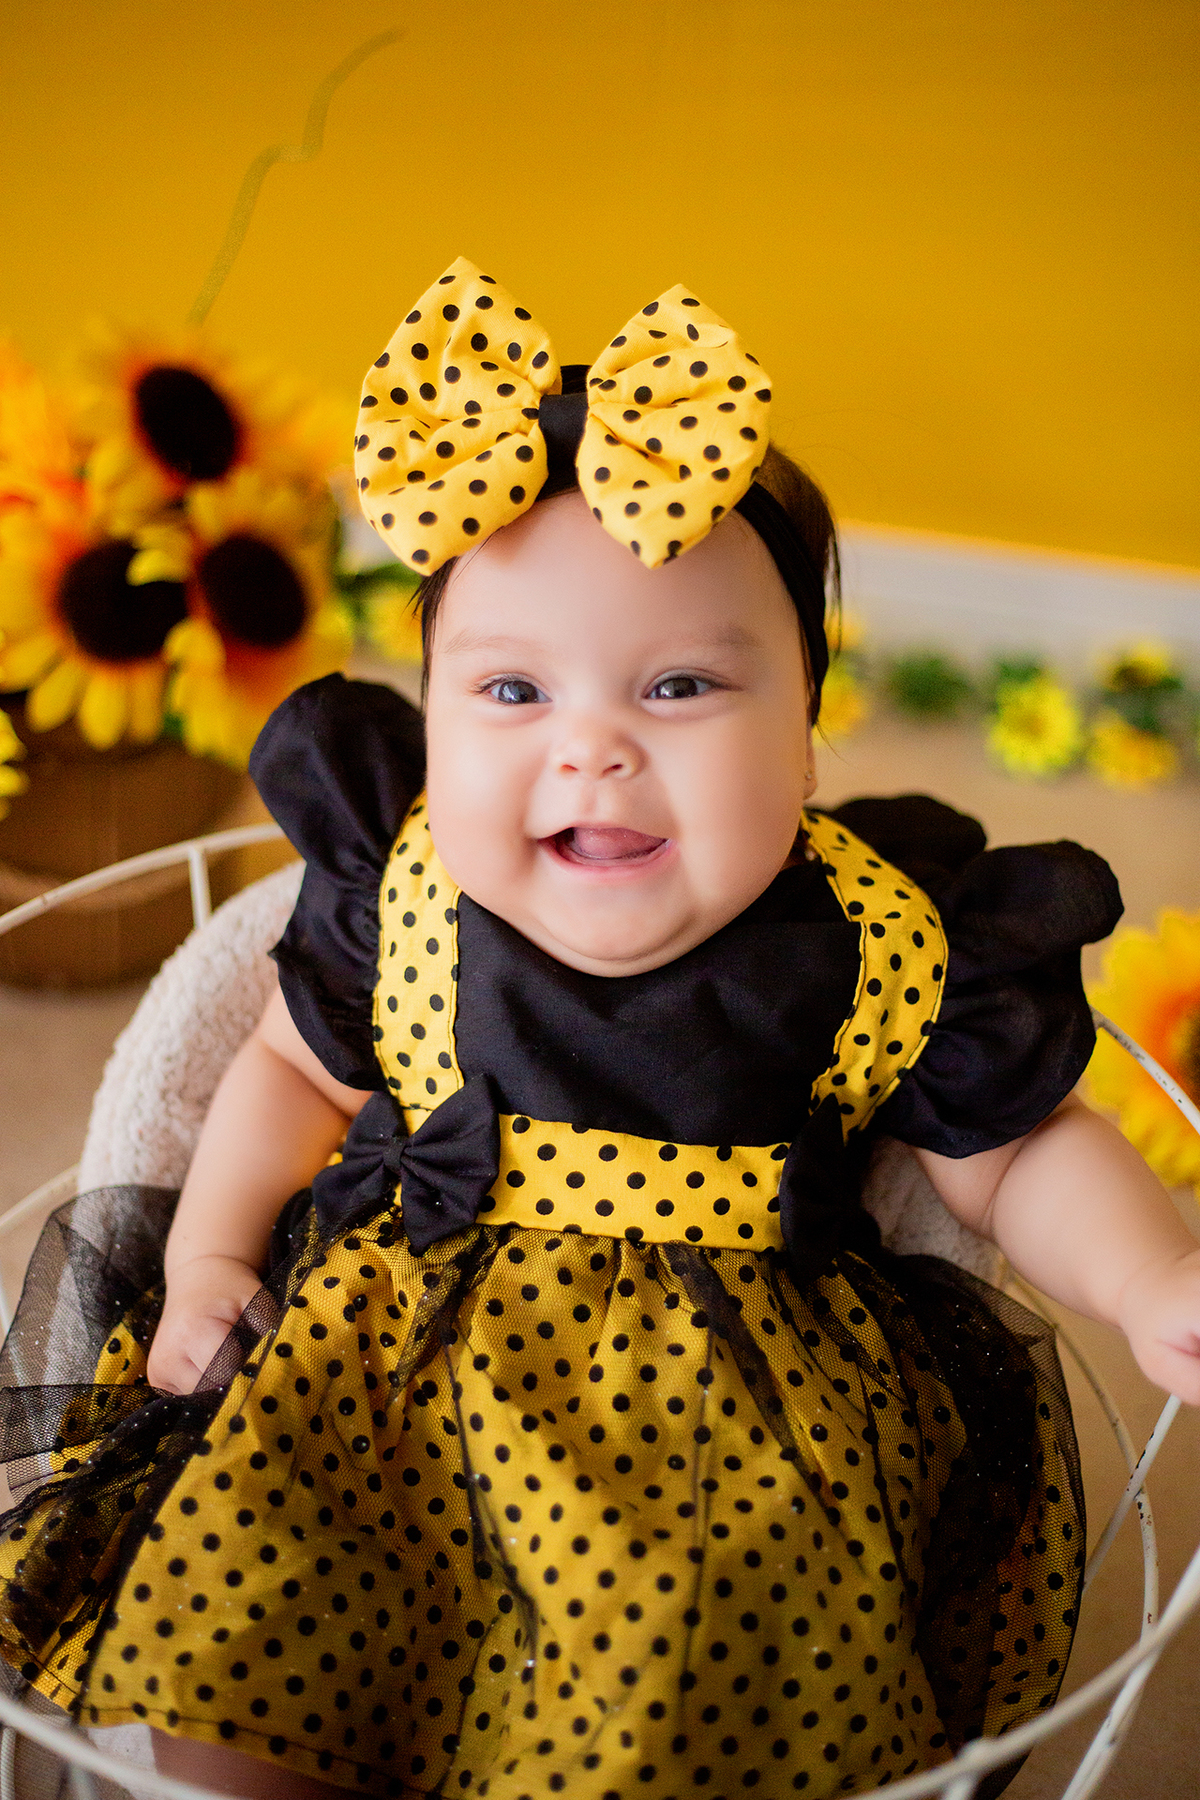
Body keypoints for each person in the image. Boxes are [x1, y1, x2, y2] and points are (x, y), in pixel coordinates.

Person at [1, 260, 1198, 1800]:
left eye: (682, 684)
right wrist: (215, 1253)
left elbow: (1011, 1151)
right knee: (248, 1613)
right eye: (509, 689)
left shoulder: (872, 937)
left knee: (690, 1697)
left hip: (727, 1440)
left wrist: (1151, 1272)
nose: (592, 748)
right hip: (382, 1378)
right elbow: (291, 1073)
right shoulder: (410, 888)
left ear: (810, 737)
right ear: (427, 723)